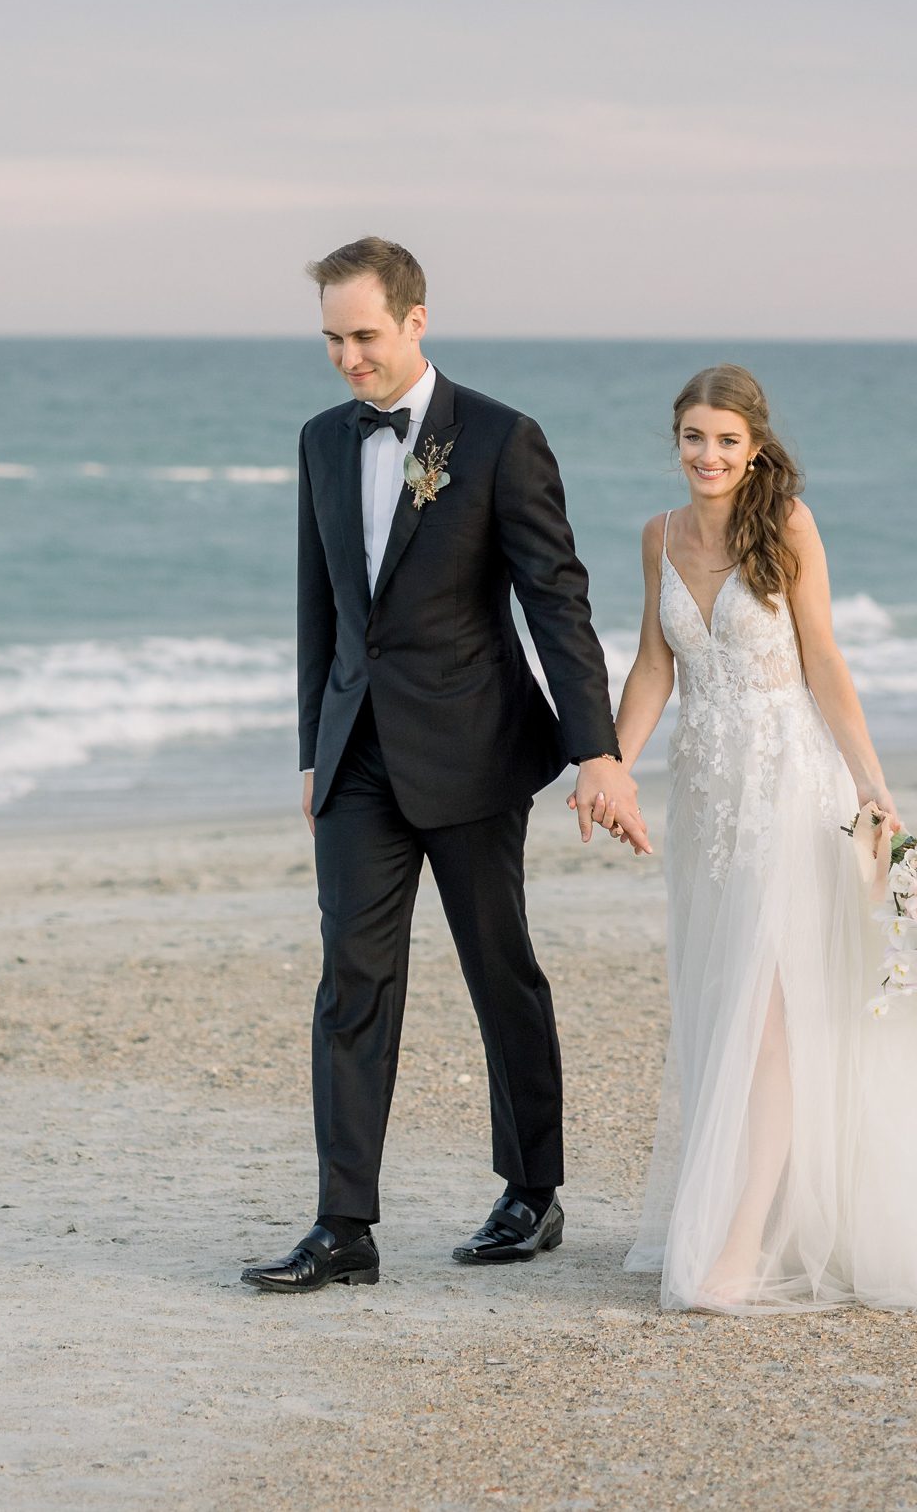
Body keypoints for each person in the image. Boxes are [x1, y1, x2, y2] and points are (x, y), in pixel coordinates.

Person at [607, 363, 917, 1315]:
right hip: (708, 806)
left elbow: (822, 658)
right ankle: (777, 1216)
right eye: (693, 437)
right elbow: (654, 665)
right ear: (675, 440)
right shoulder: (658, 536)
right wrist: (612, 766)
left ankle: (741, 1241)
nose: (707, 455)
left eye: (726, 441)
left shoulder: (787, 526)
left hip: (789, 793)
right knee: (725, 1005)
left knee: (772, 1018)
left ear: (754, 448)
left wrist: (871, 782)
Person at [241, 237, 646, 1296]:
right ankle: (343, 1227)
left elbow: (555, 601)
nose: (347, 358)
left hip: (472, 751)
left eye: (363, 335)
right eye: (331, 339)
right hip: (356, 760)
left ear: (416, 320)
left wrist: (595, 750)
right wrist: (312, 748)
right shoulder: (320, 441)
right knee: (351, 983)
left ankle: (531, 1190)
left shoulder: (502, 438)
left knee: (497, 971)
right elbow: (319, 605)